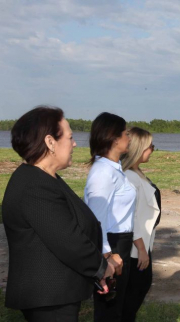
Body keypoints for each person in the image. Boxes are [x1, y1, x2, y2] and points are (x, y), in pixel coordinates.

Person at [2, 106, 115, 322]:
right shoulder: (34, 186)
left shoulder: (44, 179)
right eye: (70, 137)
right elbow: (68, 240)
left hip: (55, 296)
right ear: (50, 142)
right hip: (49, 299)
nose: (74, 144)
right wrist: (102, 268)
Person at [84, 112, 136, 322]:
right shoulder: (103, 172)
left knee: (118, 308)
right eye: (125, 133)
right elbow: (96, 220)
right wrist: (107, 257)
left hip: (120, 243)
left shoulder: (113, 169)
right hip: (112, 245)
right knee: (109, 311)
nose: (129, 137)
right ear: (114, 138)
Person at [120, 127, 161, 321]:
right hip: (136, 250)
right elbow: (130, 216)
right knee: (132, 295)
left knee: (138, 292)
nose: (153, 149)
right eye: (150, 146)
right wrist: (142, 249)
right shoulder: (128, 177)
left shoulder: (136, 172)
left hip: (143, 245)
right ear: (139, 148)